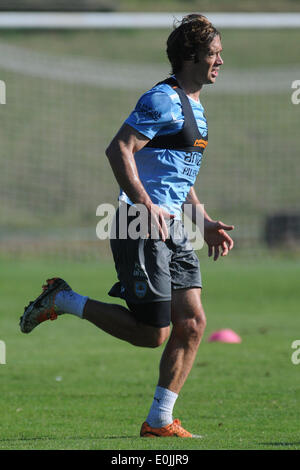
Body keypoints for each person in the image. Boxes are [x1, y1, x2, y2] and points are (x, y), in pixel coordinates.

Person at [20, 14, 234, 438]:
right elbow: (118, 149)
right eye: (214, 54)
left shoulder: (197, 108)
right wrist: (144, 205)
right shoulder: (162, 99)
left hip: (173, 228)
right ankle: (62, 299)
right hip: (138, 222)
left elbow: (175, 178)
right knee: (152, 334)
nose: (220, 61)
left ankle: (159, 421)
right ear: (191, 56)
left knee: (192, 324)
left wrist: (204, 221)